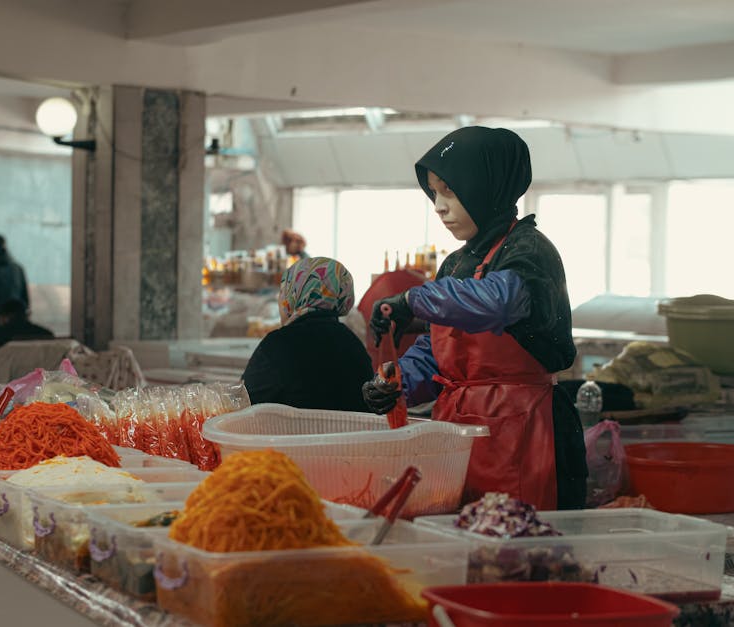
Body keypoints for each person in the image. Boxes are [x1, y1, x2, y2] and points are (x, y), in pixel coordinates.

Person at [362, 127, 587, 510]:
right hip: (457, 435)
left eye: (449, 190)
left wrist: (414, 300)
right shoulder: (456, 263)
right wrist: (398, 383)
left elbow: (496, 301)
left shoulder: (529, 250)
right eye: (433, 193)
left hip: (523, 432)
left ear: (485, 187)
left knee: (516, 546)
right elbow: (440, 350)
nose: (439, 205)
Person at [242, 257, 373, 412]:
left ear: (293, 295)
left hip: (286, 436)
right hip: (352, 436)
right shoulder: (354, 346)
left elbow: (242, 406)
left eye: (283, 291)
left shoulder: (278, 345)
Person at [0, 298, 54, 364]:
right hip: (44, 382)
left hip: (1, 382)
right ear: (27, 316)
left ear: (3, 318)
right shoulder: (47, 335)